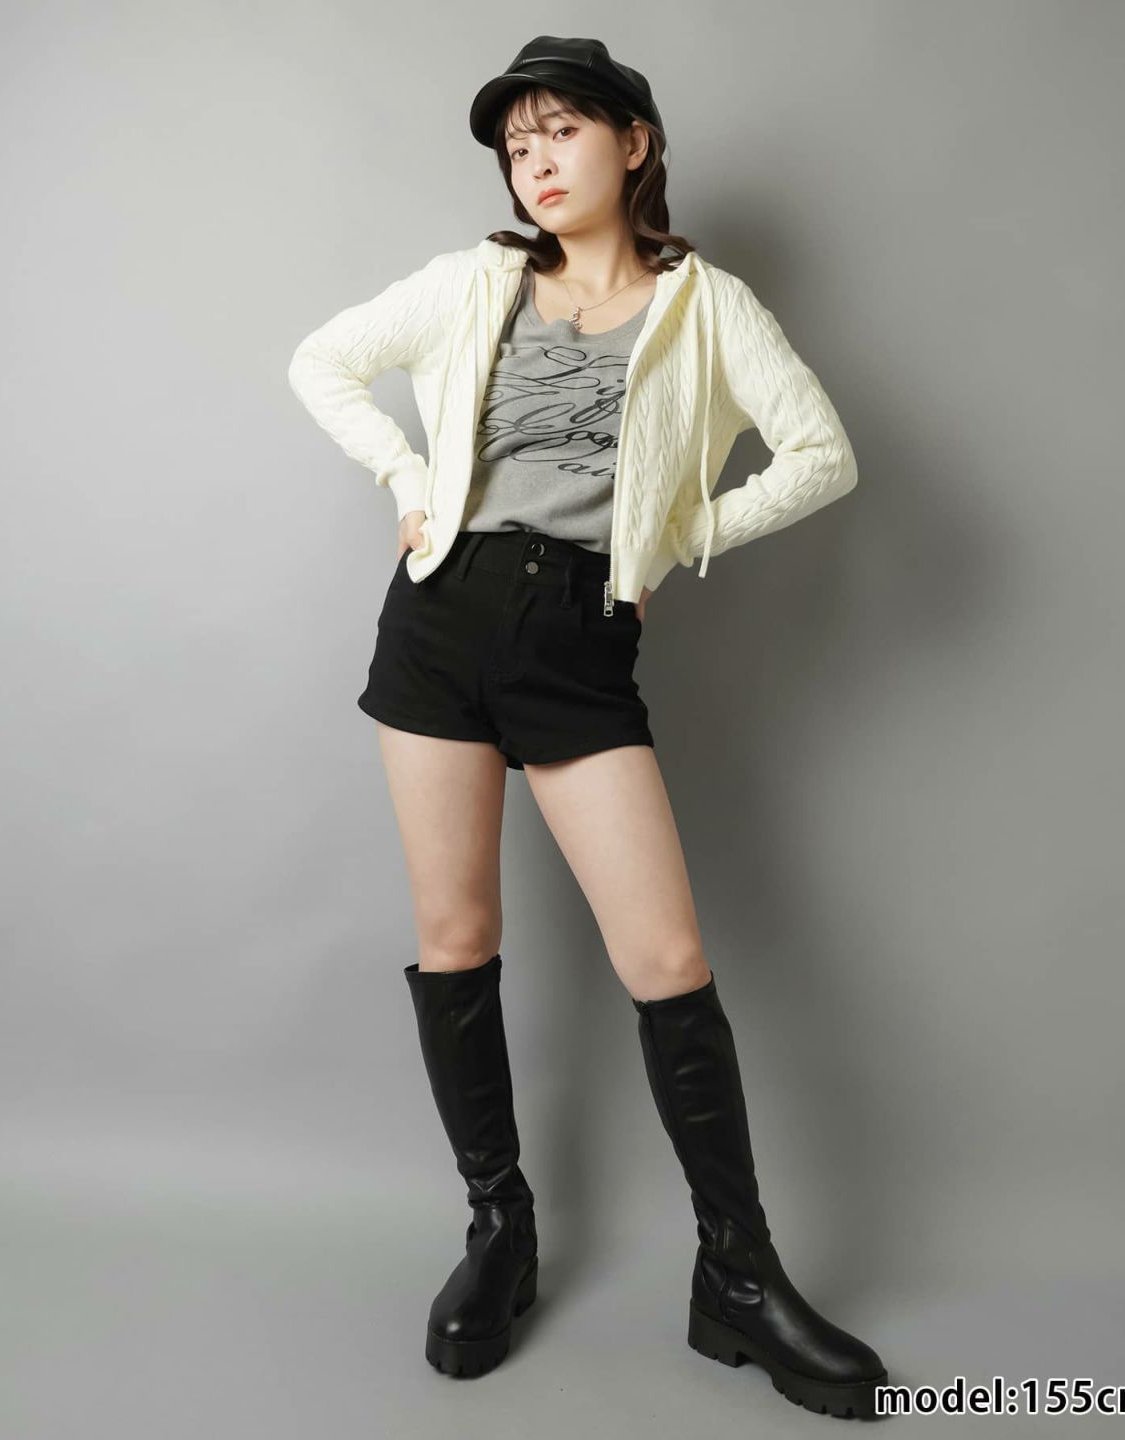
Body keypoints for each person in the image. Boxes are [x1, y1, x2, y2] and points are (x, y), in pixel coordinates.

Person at [288, 35, 887, 1420]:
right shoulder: (473, 282)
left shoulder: (706, 306)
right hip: (439, 625)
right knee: (457, 938)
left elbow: (822, 453)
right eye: (518, 145)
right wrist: (404, 478)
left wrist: (681, 534)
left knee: (666, 958)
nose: (536, 161)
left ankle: (737, 1273)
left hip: (576, 644)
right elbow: (325, 363)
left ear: (634, 140)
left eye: (561, 130)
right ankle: (500, 1228)